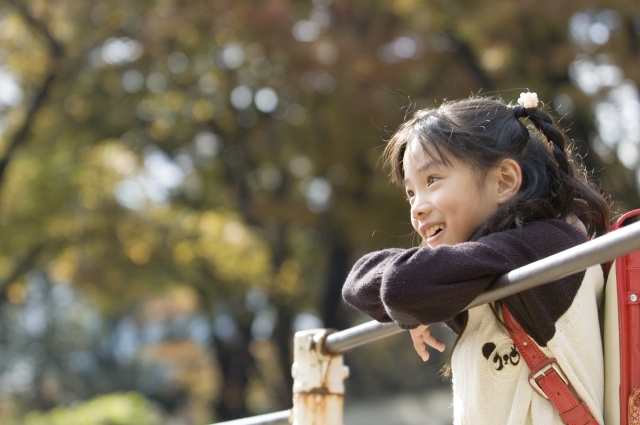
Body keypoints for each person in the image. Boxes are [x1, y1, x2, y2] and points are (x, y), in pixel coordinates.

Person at [342, 93, 611, 425]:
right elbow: (357, 284)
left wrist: (412, 299)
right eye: (411, 192)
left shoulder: (546, 246)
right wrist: (412, 307)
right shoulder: (488, 266)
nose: (417, 207)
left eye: (432, 180)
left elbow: (400, 288)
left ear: (504, 181)